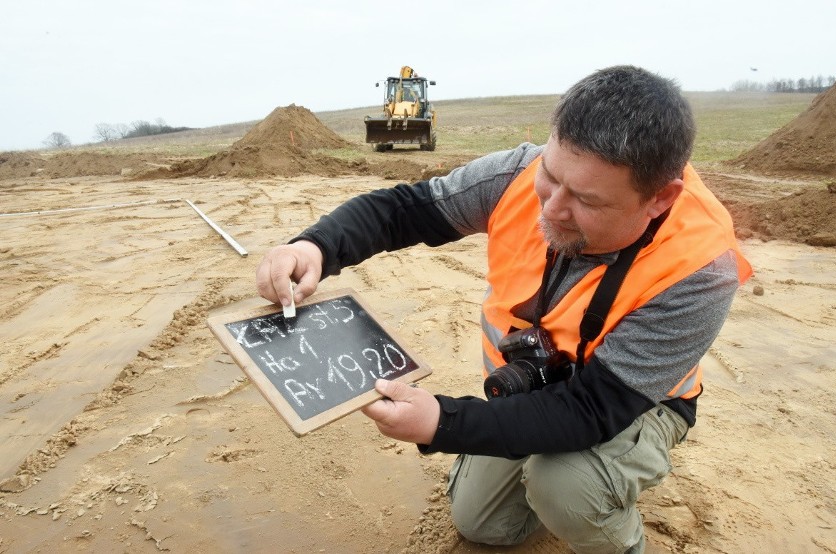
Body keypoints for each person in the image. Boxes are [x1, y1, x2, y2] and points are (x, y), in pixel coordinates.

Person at [256, 65, 752, 553]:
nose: (552, 209)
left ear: (660, 199)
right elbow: (403, 210)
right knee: (481, 524)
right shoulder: (518, 174)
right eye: (551, 176)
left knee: (565, 486)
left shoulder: (701, 270)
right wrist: (314, 247)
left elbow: (592, 408)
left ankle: (614, 526)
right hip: (535, 385)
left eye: (585, 199)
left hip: (636, 404)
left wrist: (443, 423)